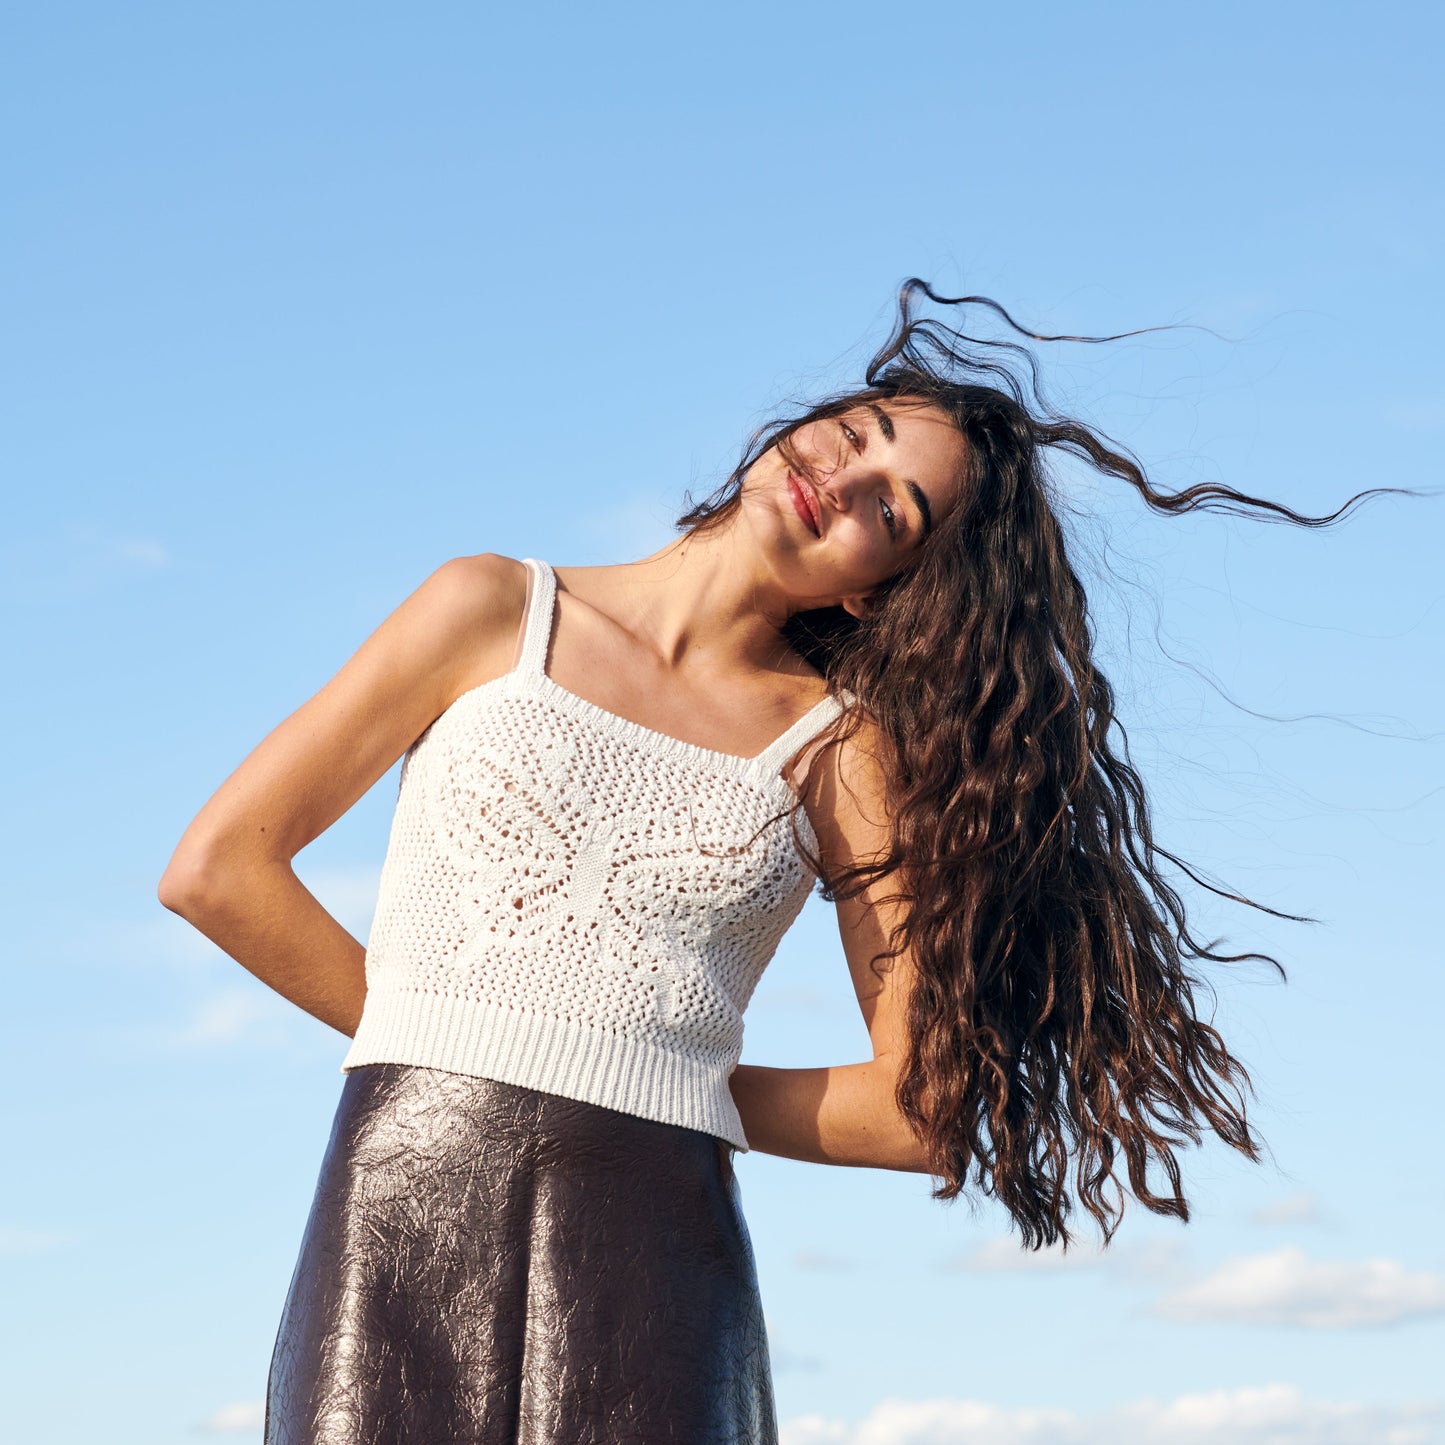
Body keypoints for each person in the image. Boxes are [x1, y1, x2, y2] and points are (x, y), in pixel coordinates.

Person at [157, 280, 1385, 1443]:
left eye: (889, 509)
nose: (843, 479)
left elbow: (926, 1107)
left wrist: (655, 1074)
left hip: (652, 1254)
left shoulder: (839, 751)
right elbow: (221, 866)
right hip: (398, 1203)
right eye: (855, 434)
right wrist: (472, 1031)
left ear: (882, 589)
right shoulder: (488, 607)